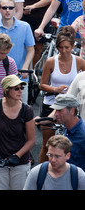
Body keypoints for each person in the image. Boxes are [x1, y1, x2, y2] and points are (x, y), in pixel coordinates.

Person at [38, 26, 85, 163]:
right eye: (60, 47)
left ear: (72, 47)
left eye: (67, 47)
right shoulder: (51, 61)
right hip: (51, 104)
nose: (63, 51)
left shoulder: (80, 62)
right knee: (47, 145)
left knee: (71, 146)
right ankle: (43, 171)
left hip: (70, 110)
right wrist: (55, 90)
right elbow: (42, 84)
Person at [0, 0, 35, 103]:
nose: (8, 10)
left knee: (20, 111)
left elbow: (31, 49)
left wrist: (25, 66)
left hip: (19, 76)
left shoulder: (25, 27)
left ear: (15, 10)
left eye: (10, 8)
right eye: (4, 7)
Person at [49, 94, 85, 172]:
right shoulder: (68, 127)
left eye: (60, 110)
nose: (56, 114)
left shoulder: (83, 134)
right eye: (56, 110)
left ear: (72, 111)